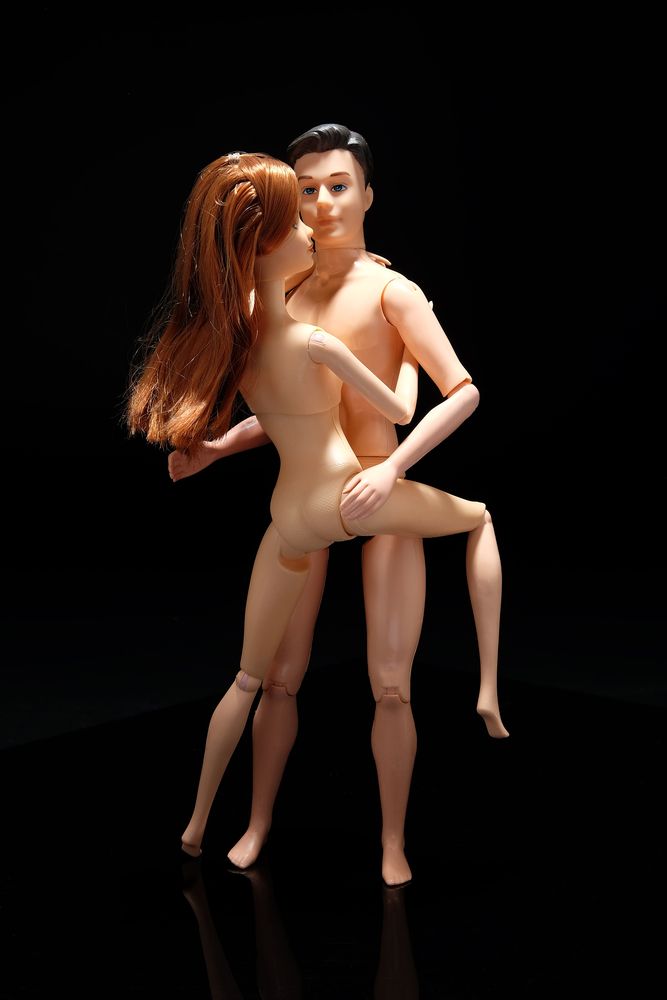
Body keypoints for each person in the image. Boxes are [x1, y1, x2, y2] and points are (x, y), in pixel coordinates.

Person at [126, 150, 503, 881]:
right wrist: (217, 449)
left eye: (337, 186)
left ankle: (390, 841)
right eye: (305, 191)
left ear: (368, 194)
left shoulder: (393, 291)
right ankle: (256, 822)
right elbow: (285, 410)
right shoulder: (289, 294)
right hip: (323, 493)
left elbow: (459, 391)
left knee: (389, 682)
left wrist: (391, 468)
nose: (321, 204)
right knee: (277, 676)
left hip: (368, 486)